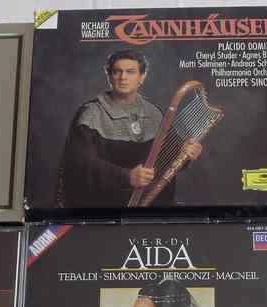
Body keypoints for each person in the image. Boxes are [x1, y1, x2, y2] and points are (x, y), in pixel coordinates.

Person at [58, 50, 201, 208]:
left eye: (130, 72)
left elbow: (169, 159)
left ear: (142, 77)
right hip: (107, 208)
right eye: (117, 71)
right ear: (109, 76)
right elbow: (81, 165)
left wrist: (185, 153)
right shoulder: (90, 114)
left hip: (152, 206)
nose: (123, 77)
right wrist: (127, 177)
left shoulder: (154, 112)